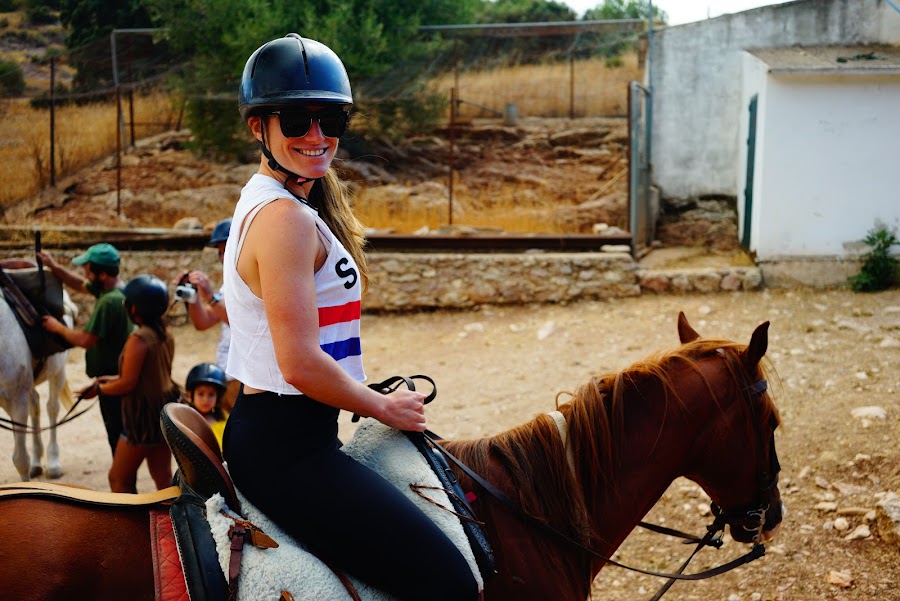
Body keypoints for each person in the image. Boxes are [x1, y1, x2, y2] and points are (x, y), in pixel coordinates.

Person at [222, 34, 478, 600]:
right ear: (258, 127)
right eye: (295, 119)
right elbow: (299, 365)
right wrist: (382, 405)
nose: (316, 136)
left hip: (285, 431)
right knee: (451, 585)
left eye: (331, 119)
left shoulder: (278, 199)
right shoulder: (284, 218)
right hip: (287, 447)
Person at [80, 274, 180, 493]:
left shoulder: (139, 339)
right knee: (162, 475)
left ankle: (128, 525)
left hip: (142, 417)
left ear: (135, 309)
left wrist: (99, 390)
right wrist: (108, 380)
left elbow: (127, 384)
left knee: (118, 478)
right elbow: (148, 375)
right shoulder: (165, 332)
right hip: (162, 411)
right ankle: (175, 522)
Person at [38, 243, 133, 456]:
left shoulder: (109, 302)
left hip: (112, 381)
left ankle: (123, 482)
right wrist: (53, 266)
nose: (85, 273)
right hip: (118, 376)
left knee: (116, 438)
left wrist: (57, 327)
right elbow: (80, 284)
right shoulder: (116, 289)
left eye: (88, 269)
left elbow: (85, 339)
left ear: (102, 274)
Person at [176, 218, 239, 413]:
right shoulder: (229, 284)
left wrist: (210, 297)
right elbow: (203, 322)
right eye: (220, 252)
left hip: (243, 377)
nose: (222, 257)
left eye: (226, 250)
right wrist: (193, 296)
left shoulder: (255, 281)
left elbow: (242, 324)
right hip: (227, 373)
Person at [184, 362, 228, 448]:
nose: (206, 400)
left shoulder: (224, 420)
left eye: (211, 395)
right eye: (201, 394)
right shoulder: (185, 421)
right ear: (190, 395)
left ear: (218, 397)